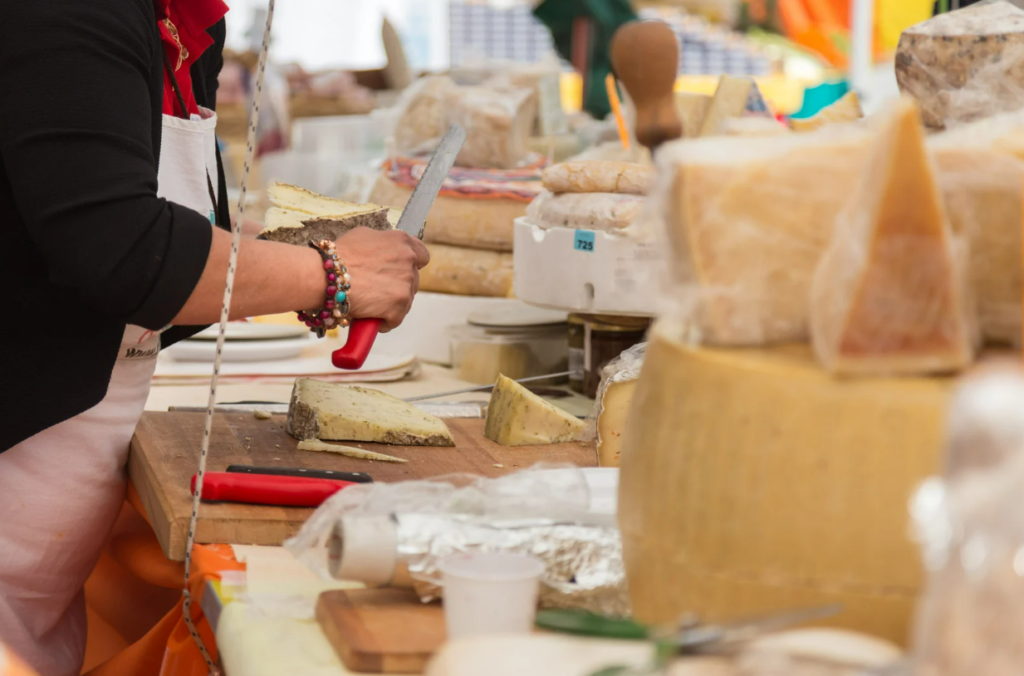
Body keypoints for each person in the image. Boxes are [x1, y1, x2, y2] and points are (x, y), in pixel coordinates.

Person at [0, 1, 428, 674]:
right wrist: (330, 274)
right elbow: (123, 251)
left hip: (42, 561)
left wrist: (307, 262)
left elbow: (175, 244)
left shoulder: (186, 24)